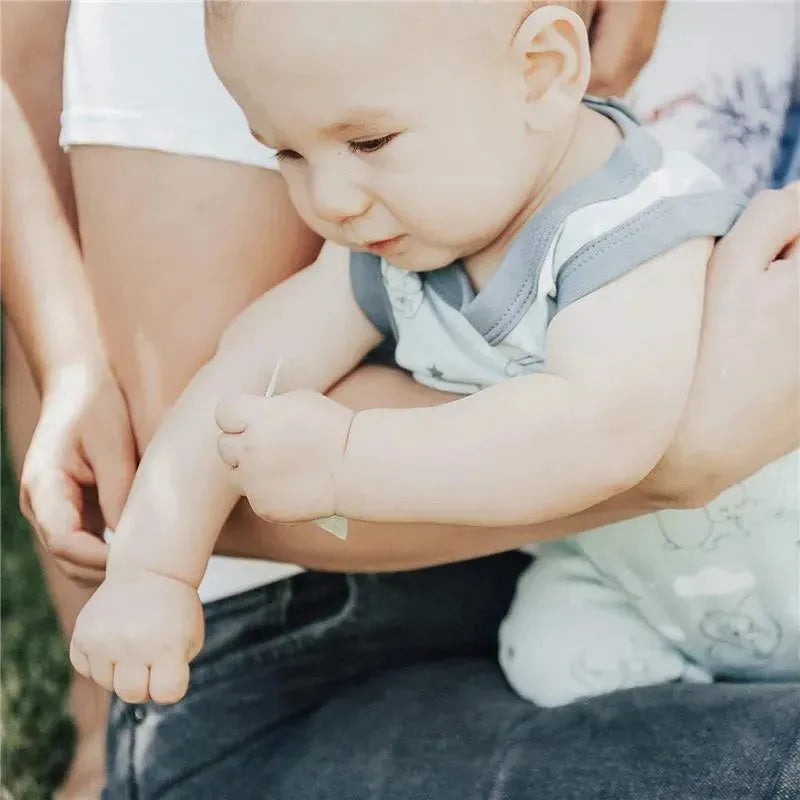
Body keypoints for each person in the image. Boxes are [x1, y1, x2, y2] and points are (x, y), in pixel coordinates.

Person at [4, 3, 799, 799]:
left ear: (541, 71)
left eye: (368, 142)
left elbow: (600, 430)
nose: (331, 199)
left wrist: (350, 463)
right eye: (288, 152)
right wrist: (152, 571)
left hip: (781, 563)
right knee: (553, 666)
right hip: (627, 597)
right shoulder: (395, 250)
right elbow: (235, 380)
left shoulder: (630, 220)